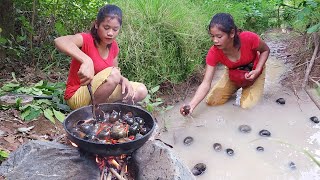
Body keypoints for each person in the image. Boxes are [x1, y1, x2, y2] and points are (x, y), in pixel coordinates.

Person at [54, 4, 148, 110]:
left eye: (115, 29)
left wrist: (123, 79)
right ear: (97, 25)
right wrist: (86, 60)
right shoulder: (86, 39)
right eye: (106, 28)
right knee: (114, 75)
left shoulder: (114, 46)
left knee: (141, 90)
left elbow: (114, 72)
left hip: (100, 94)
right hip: (77, 96)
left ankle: (108, 109)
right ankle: (91, 113)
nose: (110, 33)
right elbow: (59, 41)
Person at [180, 13, 270, 115]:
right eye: (212, 36)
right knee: (212, 101)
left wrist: (258, 70)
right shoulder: (213, 52)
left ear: (232, 33)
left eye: (219, 36)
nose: (215, 40)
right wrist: (191, 105)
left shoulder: (249, 38)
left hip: (254, 70)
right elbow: (206, 83)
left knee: (247, 107)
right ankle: (234, 89)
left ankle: (248, 88)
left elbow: (265, 50)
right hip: (233, 73)